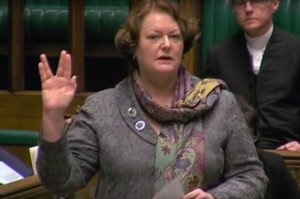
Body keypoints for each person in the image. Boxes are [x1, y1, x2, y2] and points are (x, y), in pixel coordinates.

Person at [36, 0, 267, 198]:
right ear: (134, 48)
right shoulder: (103, 108)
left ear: (183, 46)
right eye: (154, 36)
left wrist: (216, 197)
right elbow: (61, 181)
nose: (166, 44)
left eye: (174, 36)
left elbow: (252, 177)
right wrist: (53, 115)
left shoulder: (219, 103)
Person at [200, 0, 300, 198]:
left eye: (255, 1)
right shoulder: (218, 54)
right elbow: (205, 110)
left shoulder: (297, 50)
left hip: (289, 153)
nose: (247, 9)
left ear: (275, 3)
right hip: (232, 159)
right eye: (239, 3)